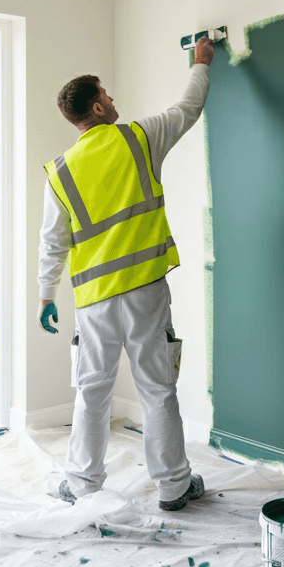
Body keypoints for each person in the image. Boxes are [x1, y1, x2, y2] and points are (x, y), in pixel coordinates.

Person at [36, 35, 214, 511]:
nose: (114, 100)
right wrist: (200, 63)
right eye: (107, 95)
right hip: (144, 292)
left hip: (94, 300)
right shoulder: (138, 138)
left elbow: (53, 240)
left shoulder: (60, 172)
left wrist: (45, 295)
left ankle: (81, 483)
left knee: (92, 391)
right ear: (96, 108)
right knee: (157, 389)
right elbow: (188, 107)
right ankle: (174, 486)